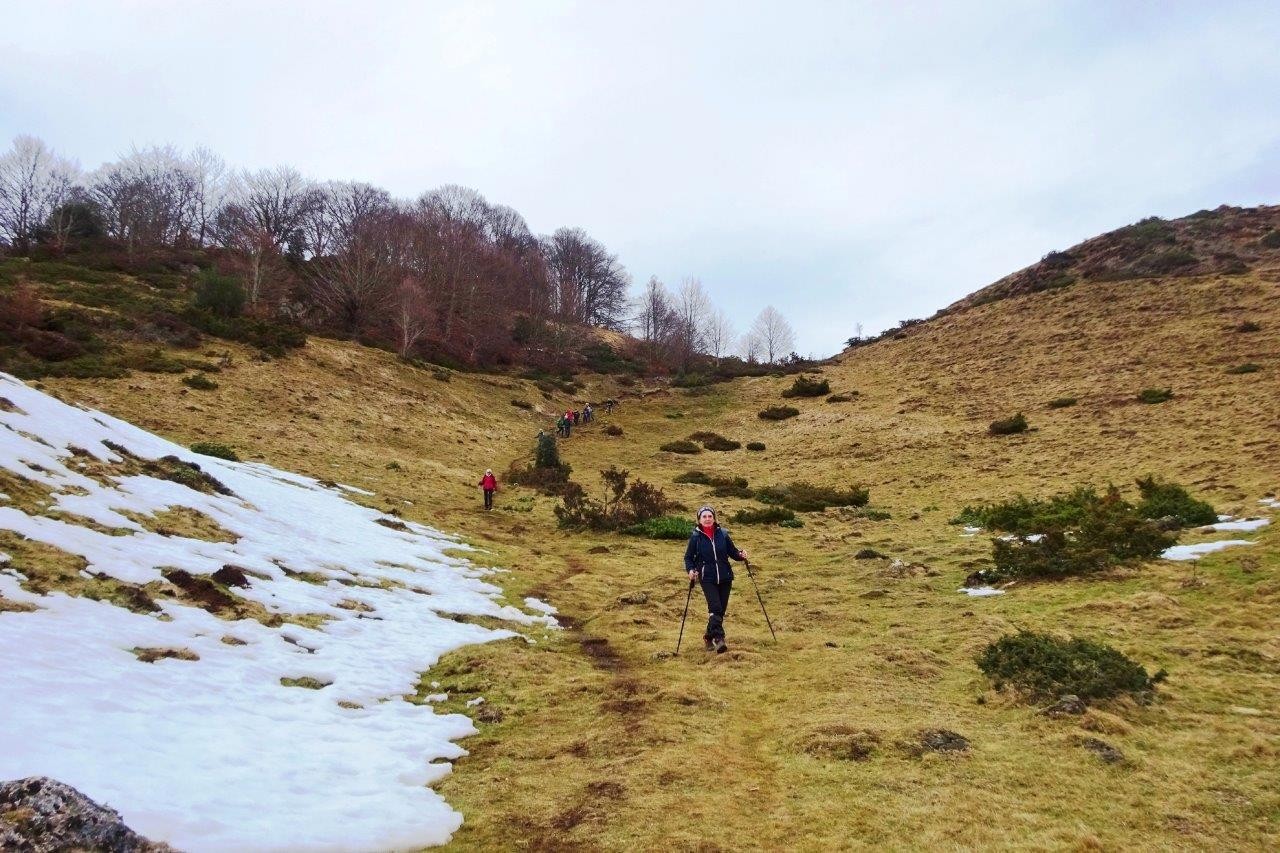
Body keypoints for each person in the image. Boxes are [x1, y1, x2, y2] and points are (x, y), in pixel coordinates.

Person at [683, 505, 748, 653]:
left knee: (720, 612)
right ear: (699, 519)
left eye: (709, 516)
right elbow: (688, 558)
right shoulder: (696, 537)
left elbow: (733, 552)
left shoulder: (723, 534)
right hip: (707, 578)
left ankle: (708, 636)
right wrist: (691, 570)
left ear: (714, 518)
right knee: (716, 608)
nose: (707, 519)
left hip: (725, 577)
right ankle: (719, 639)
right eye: (704, 517)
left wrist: (741, 555)